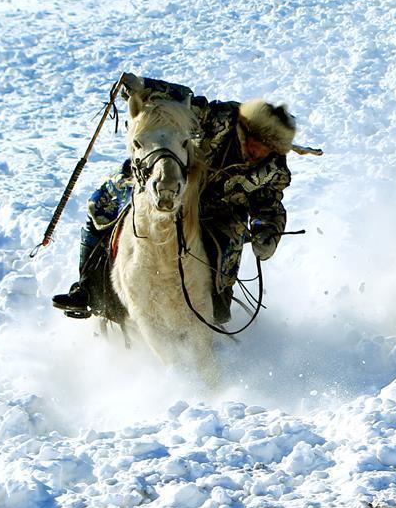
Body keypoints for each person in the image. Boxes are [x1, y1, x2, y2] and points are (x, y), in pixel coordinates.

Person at [52, 76, 296, 324]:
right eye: (257, 143)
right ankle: (86, 288)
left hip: (221, 212)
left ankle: (218, 302)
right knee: (101, 204)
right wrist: (143, 86)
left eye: (268, 148)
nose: (258, 152)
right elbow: (184, 99)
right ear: (247, 130)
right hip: (174, 178)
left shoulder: (274, 170)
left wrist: (267, 232)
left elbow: (270, 205)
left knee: (228, 247)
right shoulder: (222, 119)